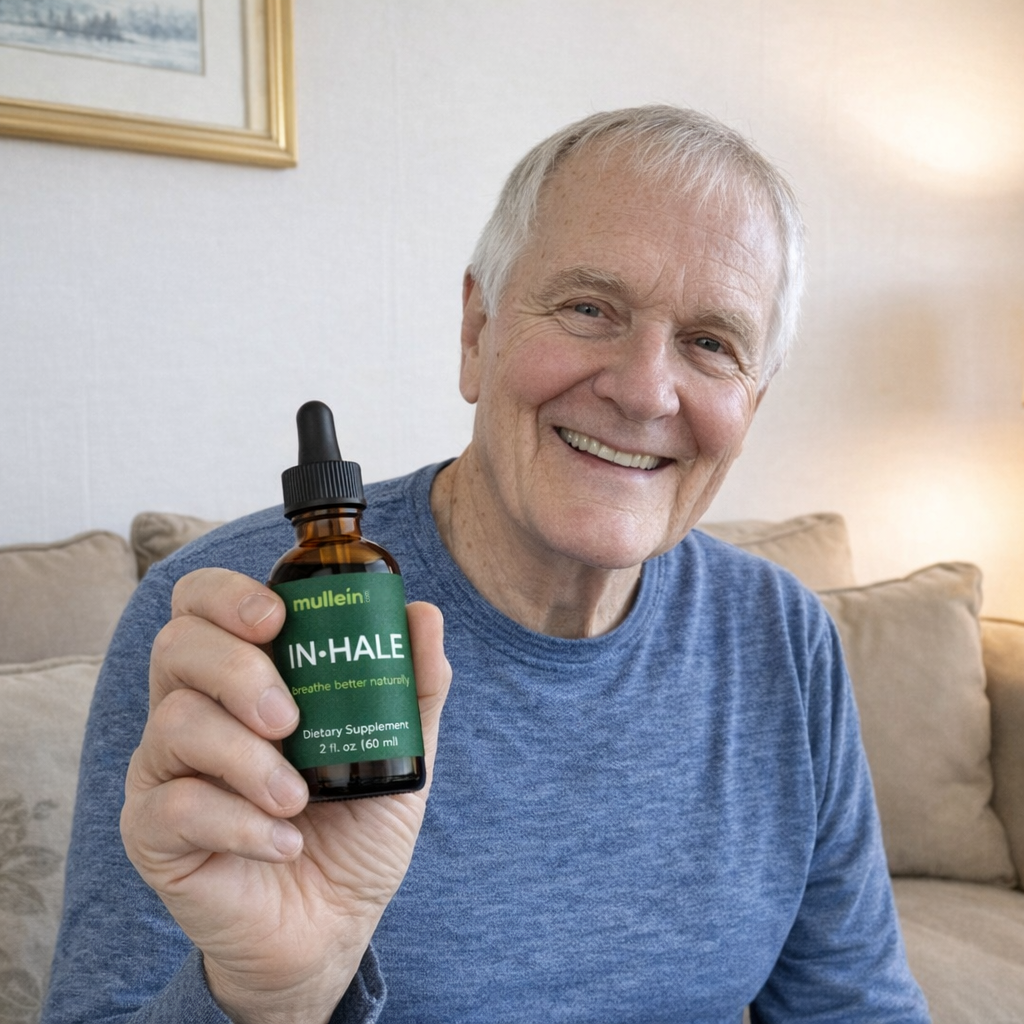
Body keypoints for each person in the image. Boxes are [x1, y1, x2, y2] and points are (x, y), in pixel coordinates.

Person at [43, 106, 930, 1024]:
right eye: (589, 309)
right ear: (477, 331)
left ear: (753, 403)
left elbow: (855, 1007)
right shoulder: (243, 624)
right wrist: (273, 999)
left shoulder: (783, 634)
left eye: (711, 343)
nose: (644, 390)